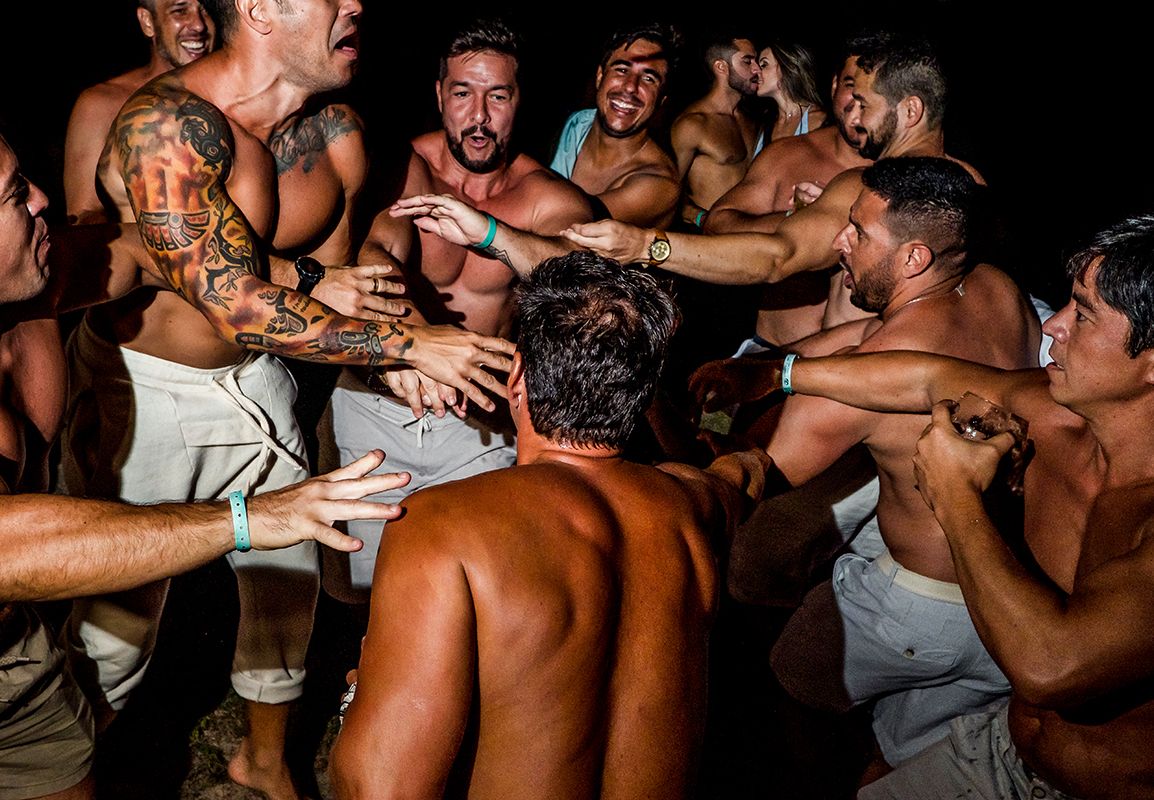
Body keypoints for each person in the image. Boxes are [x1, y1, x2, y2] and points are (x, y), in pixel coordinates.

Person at [68, 3, 515, 798]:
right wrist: (408, 345)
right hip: (150, 391)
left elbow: (333, 283)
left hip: (259, 380)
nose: (357, 8)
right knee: (118, 622)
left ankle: (264, 761)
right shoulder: (167, 125)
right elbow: (230, 297)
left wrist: (394, 352)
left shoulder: (335, 130)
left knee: (289, 582)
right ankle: (62, 772)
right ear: (262, 10)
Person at [0, 96, 402, 800]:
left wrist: (315, 283)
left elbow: (158, 249)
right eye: (14, 193)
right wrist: (252, 518)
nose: (42, 197)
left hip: (12, 658)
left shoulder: (35, 292)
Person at [732, 214, 1154, 800]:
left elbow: (1052, 666)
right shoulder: (1059, 414)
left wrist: (954, 493)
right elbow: (930, 376)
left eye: (1082, 315)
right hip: (1006, 753)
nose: (1052, 326)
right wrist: (781, 372)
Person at [329, 251, 769, 799]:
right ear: (639, 395)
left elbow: (376, 789)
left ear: (518, 378)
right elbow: (746, 473)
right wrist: (728, 450)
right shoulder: (694, 506)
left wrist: (360, 695)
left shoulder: (440, 528)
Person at [695, 157, 1041, 765]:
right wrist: (772, 367)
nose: (839, 242)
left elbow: (757, 477)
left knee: (787, 681)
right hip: (1011, 592)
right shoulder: (999, 289)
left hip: (920, 610)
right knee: (913, 750)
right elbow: (871, 341)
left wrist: (691, 444)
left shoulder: (841, 397)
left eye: (859, 232)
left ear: (913, 259)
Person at [326, 18, 593, 603]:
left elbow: (583, 275)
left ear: (520, 101)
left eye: (497, 95)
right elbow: (377, 254)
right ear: (439, 96)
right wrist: (421, 347)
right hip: (378, 405)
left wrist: (491, 233)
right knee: (360, 590)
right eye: (463, 93)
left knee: (474, 593)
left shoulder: (547, 197)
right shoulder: (403, 166)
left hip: (480, 426)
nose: (479, 116)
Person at [564, 33, 982, 289]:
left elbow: (777, 257)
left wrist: (644, 245)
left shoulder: (868, 186)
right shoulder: (972, 184)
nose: (854, 117)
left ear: (910, 111)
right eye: (850, 97)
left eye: (865, 104)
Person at [703, 38, 875, 347]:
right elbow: (720, 222)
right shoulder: (776, 136)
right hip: (767, 341)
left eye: (764, 64)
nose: (859, 102)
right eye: (851, 85)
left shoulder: (913, 179)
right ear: (836, 82)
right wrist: (803, 219)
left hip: (852, 358)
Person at [63, 0, 216, 225]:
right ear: (147, 22)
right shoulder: (101, 104)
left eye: (207, 10)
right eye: (180, 11)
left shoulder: (238, 96)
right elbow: (84, 217)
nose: (199, 25)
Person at [549, 23, 681, 227]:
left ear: (661, 99)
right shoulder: (573, 125)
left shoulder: (659, 184)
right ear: (600, 77)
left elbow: (568, 225)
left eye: (648, 78)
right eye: (621, 69)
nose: (630, 86)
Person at [670, 33, 761, 229]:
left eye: (756, 60)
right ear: (721, 67)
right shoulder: (693, 124)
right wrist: (703, 219)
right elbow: (664, 192)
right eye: (747, 61)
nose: (757, 68)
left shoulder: (751, 119)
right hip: (708, 239)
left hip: (750, 235)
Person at [748, 41, 827, 162]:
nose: (757, 71)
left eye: (764, 64)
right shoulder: (764, 124)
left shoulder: (817, 121)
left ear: (786, 68)